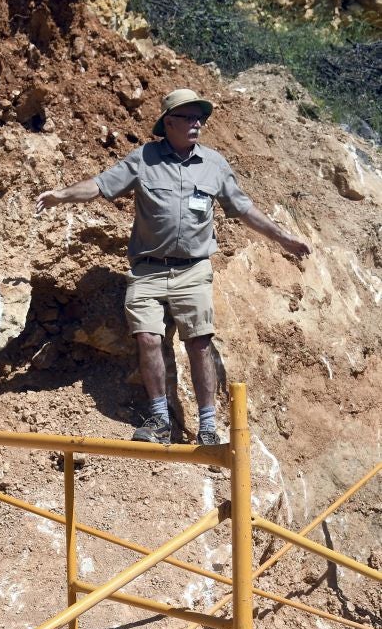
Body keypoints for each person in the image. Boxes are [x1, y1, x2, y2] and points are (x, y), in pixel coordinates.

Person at [36, 87, 311, 445]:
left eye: (200, 117)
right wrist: (61, 195)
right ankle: (159, 420)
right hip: (147, 269)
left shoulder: (214, 164)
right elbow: (101, 186)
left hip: (193, 269)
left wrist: (283, 238)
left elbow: (243, 209)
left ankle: (208, 426)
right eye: (189, 117)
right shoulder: (143, 159)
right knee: (148, 338)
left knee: (199, 342)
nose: (197, 123)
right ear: (169, 122)